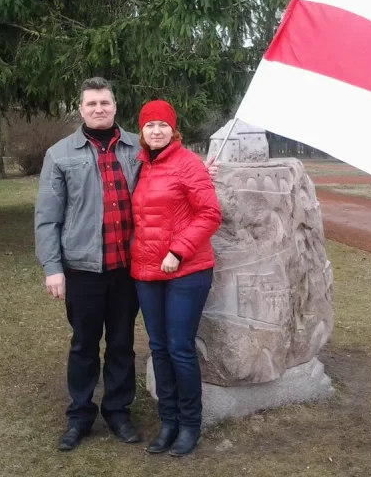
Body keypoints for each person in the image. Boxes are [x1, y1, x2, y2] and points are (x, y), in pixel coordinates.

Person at [34, 78, 218, 452]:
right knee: (84, 344)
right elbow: (47, 216)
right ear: (81, 109)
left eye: (104, 102)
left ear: (115, 107)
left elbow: (171, 171)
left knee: (121, 344)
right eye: (91, 104)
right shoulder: (60, 154)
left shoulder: (139, 145)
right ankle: (80, 416)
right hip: (83, 267)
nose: (98, 108)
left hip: (128, 268)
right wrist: (52, 266)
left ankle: (118, 412)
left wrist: (200, 170)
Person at [130, 100, 222, 457]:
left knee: (180, 348)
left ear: (173, 129)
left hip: (186, 270)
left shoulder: (188, 164)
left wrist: (178, 250)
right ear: (141, 131)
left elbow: (210, 213)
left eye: (162, 125)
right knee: (158, 347)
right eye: (149, 125)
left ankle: (189, 425)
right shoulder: (139, 166)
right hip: (146, 271)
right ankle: (166, 422)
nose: (156, 130)